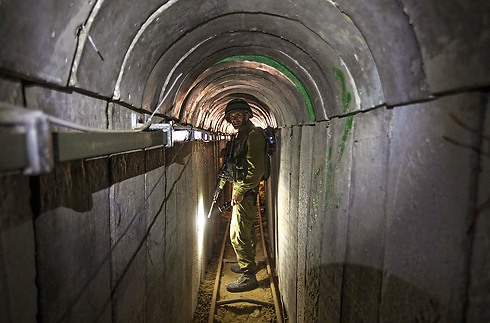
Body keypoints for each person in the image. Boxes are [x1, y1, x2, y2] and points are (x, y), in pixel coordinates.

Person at [224, 98, 266, 292]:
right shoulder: (242, 134)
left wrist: (241, 191)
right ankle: (246, 263)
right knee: (243, 230)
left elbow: (257, 169)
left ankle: (249, 275)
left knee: (239, 233)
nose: (235, 119)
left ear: (247, 115)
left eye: (238, 115)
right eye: (231, 117)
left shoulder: (253, 135)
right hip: (241, 187)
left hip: (245, 190)